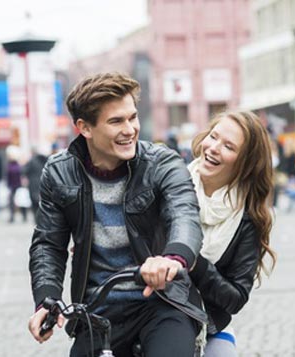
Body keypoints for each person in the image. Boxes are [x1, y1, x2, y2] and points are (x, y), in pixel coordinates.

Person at [28, 72, 206, 357]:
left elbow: (184, 215)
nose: (130, 129)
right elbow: (49, 244)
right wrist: (46, 299)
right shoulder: (59, 172)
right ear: (84, 128)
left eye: (132, 117)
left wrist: (171, 259)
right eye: (116, 121)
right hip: (98, 310)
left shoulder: (163, 163)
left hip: (162, 302)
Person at [187, 111, 276, 356]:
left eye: (228, 146)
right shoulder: (171, 186)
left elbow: (235, 298)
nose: (214, 148)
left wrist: (194, 263)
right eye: (213, 137)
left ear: (245, 164)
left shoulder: (249, 218)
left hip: (211, 325)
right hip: (154, 317)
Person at [22, 147, 47, 224]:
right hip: (43, 183)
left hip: (33, 184)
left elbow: (24, 171)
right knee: (43, 201)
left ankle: (37, 219)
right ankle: (43, 218)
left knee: (34, 202)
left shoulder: (31, 161)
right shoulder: (44, 160)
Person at [6, 146, 27, 223]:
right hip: (12, 186)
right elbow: (8, 176)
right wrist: (8, 185)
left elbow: (23, 174)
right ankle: (12, 217)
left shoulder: (19, 165)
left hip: (19, 185)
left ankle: (24, 216)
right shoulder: (9, 165)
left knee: (21, 201)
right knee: (11, 202)